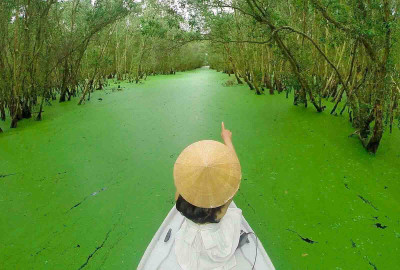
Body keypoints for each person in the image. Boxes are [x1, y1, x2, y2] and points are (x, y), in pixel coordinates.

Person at [173, 122, 243, 270]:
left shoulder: (180, 195)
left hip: (189, 243)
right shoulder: (221, 208)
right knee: (233, 217)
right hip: (215, 247)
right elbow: (236, 171)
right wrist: (227, 139)